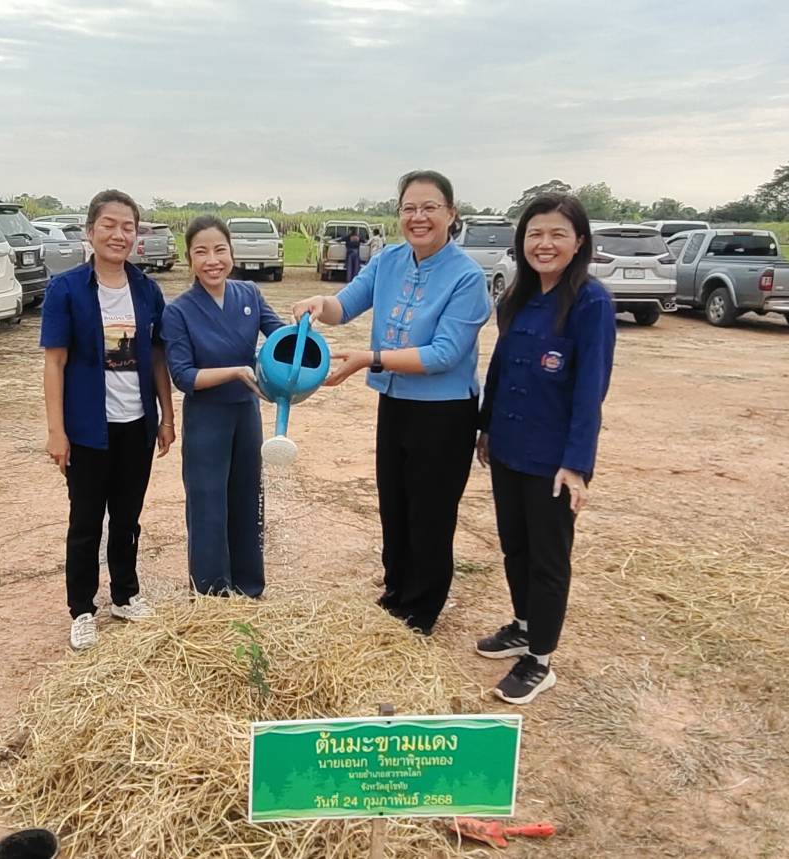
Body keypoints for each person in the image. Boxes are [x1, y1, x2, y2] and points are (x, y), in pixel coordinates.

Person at [293, 170, 491, 634]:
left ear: (451, 214)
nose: (418, 217)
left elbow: (444, 354)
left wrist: (369, 358)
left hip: (444, 412)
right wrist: (319, 303)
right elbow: (345, 305)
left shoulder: (467, 277)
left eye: (429, 208)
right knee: (395, 502)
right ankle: (396, 591)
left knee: (431, 511)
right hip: (396, 403)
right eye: (409, 208)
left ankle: (421, 610)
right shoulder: (388, 261)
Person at [472, 192, 616, 705]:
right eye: (535, 234)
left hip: (552, 459)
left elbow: (590, 388)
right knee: (515, 545)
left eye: (557, 234)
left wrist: (577, 465)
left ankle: (541, 659)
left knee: (549, 559)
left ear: (579, 242)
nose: (545, 243)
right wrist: (486, 428)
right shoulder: (519, 295)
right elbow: (500, 368)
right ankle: (524, 624)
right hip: (509, 447)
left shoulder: (590, 303)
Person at [41, 189, 173, 651]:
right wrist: (57, 431)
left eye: (128, 227)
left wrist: (166, 416)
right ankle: (81, 609)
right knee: (85, 522)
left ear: (137, 236)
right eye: (110, 225)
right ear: (90, 231)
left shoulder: (146, 290)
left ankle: (125, 594)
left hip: (136, 426)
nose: (119, 234)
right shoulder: (67, 289)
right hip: (87, 431)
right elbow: (54, 363)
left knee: (128, 518)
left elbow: (157, 355)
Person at [161, 215, 284, 598]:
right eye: (201, 252)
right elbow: (183, 376)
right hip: (207, 418)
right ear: (189, 259)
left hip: (246, 413)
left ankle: (248, 585)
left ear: (231, 252)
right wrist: (235, 372)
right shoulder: (178, 311)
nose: (212, 260)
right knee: (208, 501)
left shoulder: (249, 294)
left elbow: (281, 336)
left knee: (247, 495)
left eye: (220, 250)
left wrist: (305, 329)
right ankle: (212, 591)